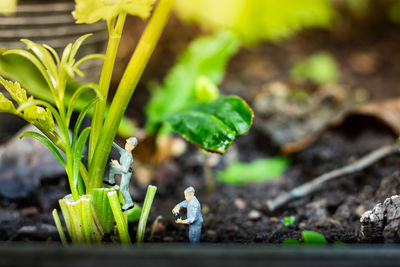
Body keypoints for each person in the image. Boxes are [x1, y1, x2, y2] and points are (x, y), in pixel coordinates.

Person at [103, 137, 138, 211]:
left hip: (126, 173)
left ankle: (129, 203)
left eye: (130, 145)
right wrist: (111, 142)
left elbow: (125, 170)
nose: (127, 145)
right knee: (111, 166)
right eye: (127, 143)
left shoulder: (129, 157)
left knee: (123, 189)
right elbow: (118, 148)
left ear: (133, 147)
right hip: (121, 169)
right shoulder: (125, 152)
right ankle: (111, 180)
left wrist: (117, 164)